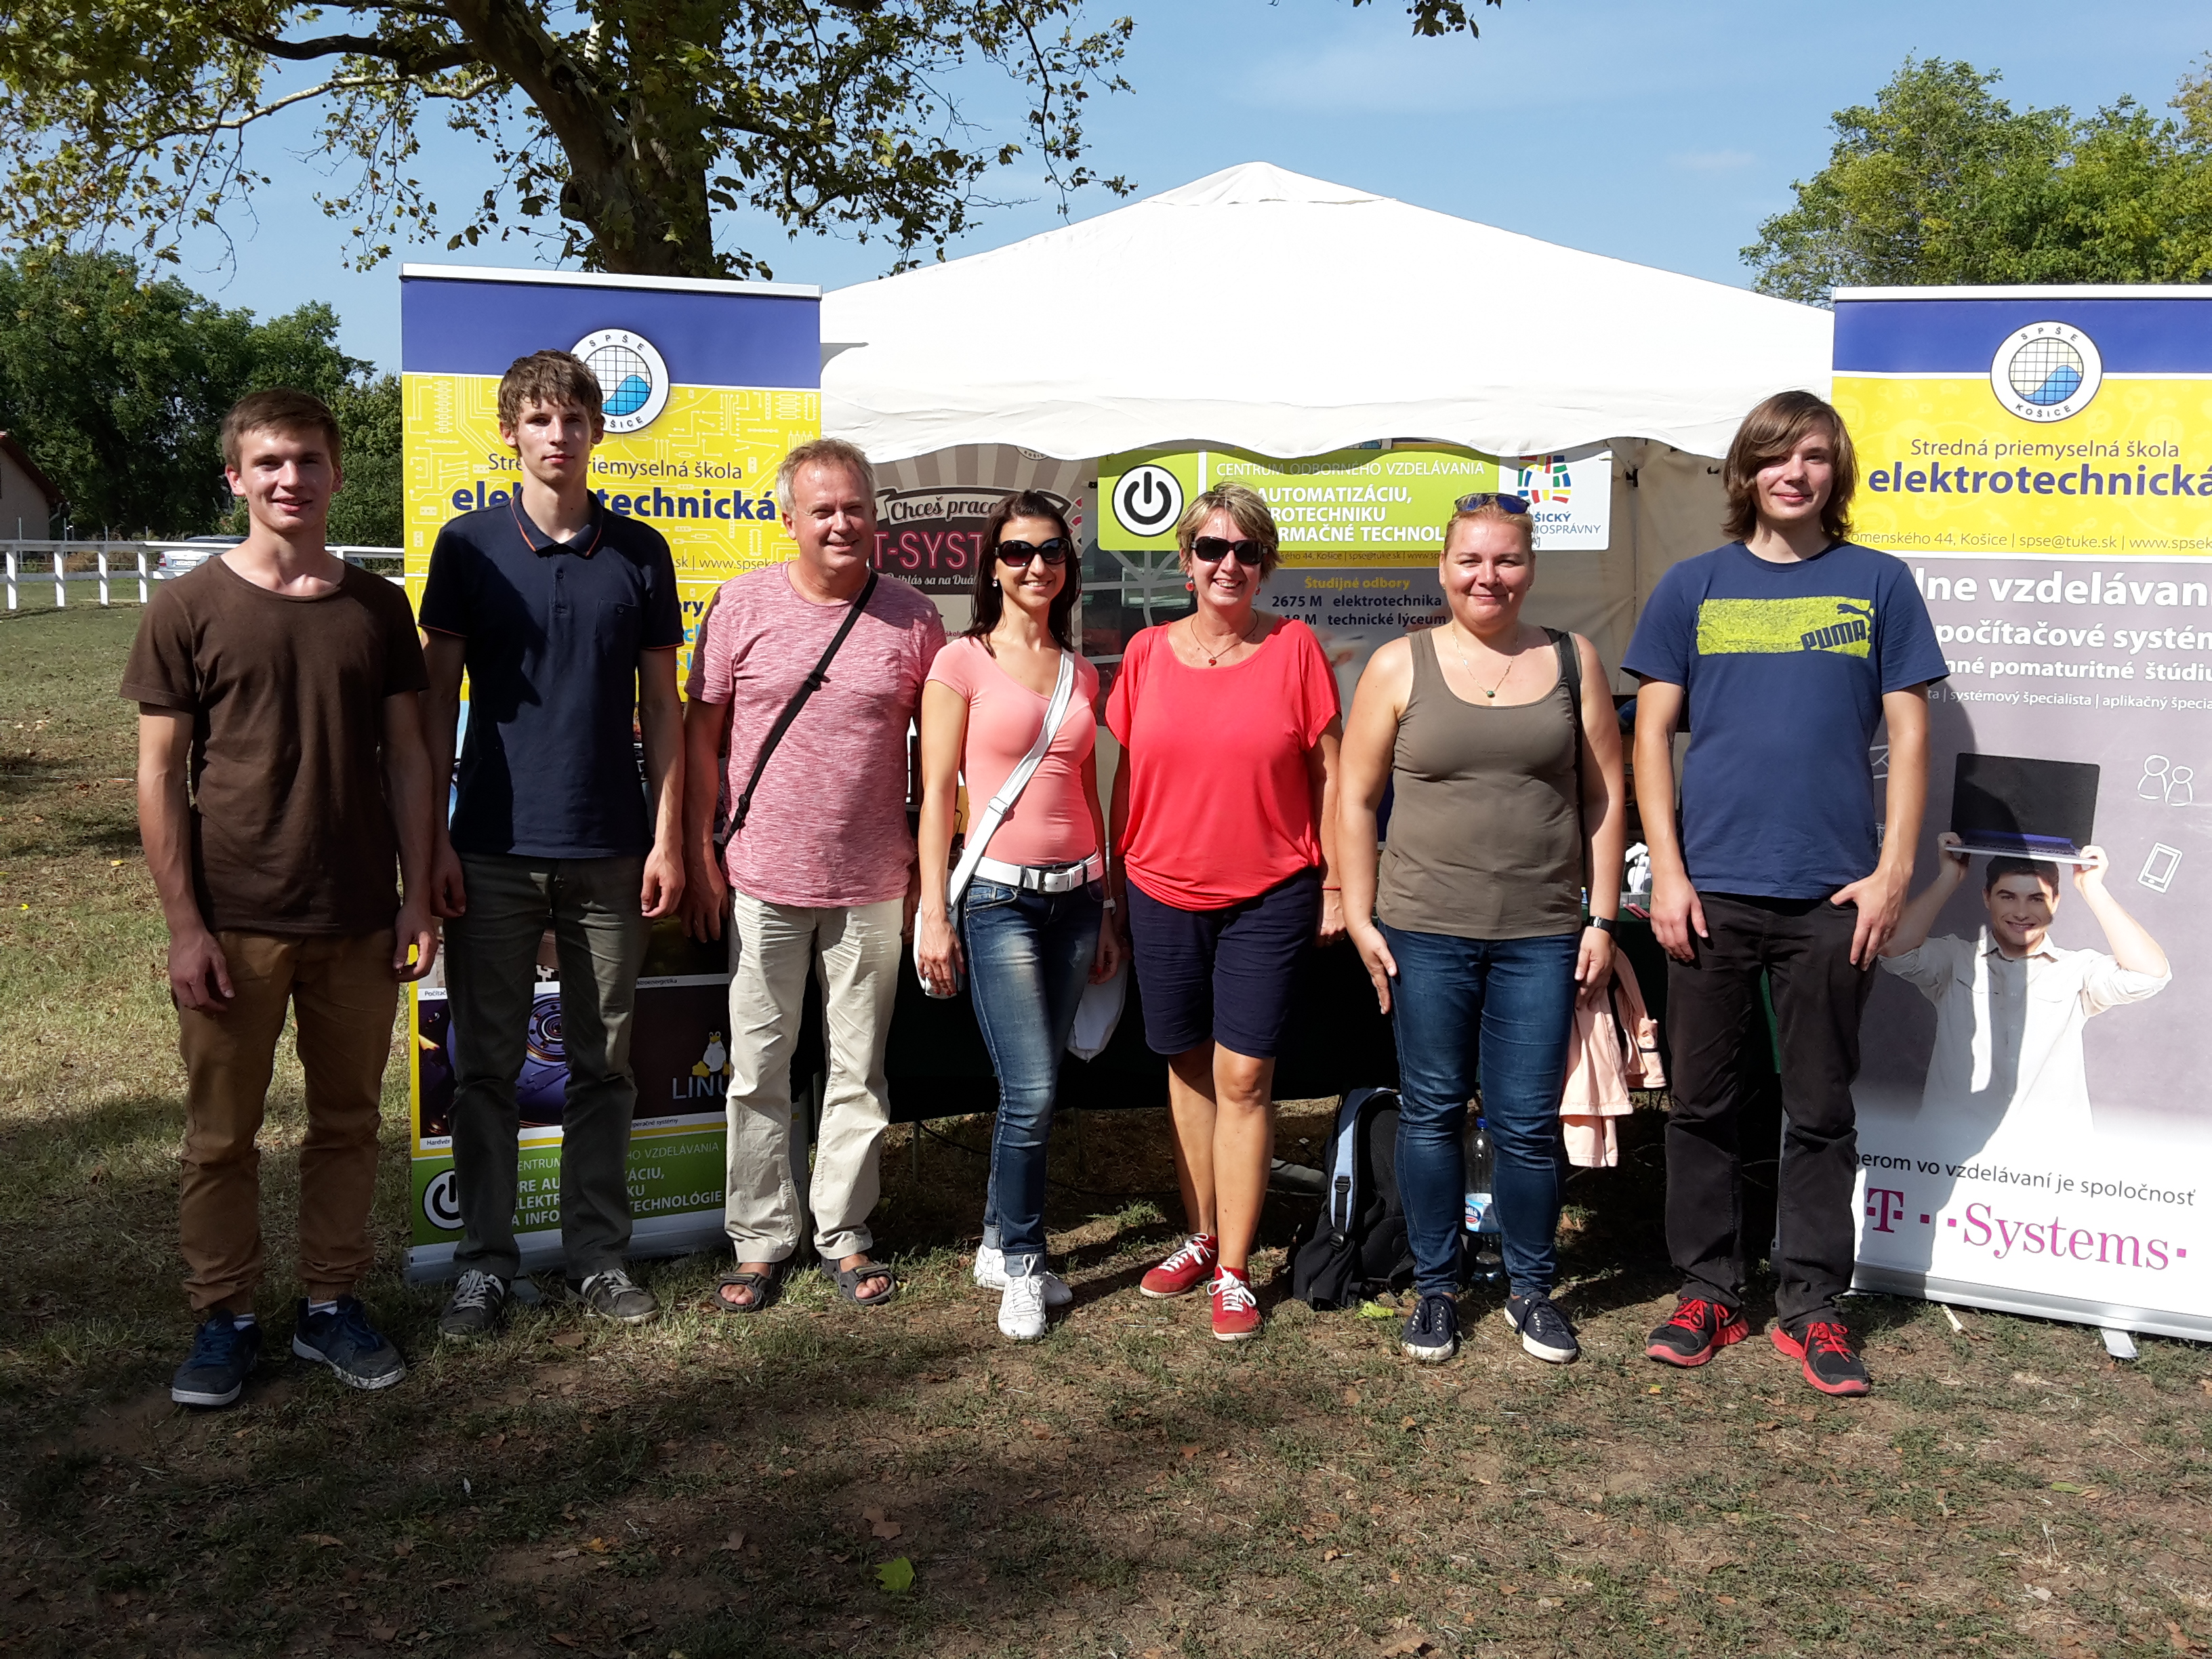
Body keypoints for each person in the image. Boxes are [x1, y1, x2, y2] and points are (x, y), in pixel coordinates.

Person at [1624, 389, 1946, 1397]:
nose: (1793, 473)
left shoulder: (1879, 583)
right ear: (1746, 472)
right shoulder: (1693, 586)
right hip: (1710, 890)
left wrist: (1894, 873)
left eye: (1813, 456)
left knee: (1819, 1110)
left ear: (1835, 471)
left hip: (1833, 896)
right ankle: (1710, 1291)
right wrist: (1667, 870)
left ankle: (1811, 1305)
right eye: (1775, 455)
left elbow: (1911, 734)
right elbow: (1649, 734)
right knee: (1701, 1105)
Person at [124, 389, 438, 1408]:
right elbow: (158, 775)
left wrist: (417, 896)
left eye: (307, 460)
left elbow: (408, 756)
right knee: (221, 1136)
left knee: (347, 1124)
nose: (289, 479)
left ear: (337, 474)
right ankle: (224, 1316)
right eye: (268, 463)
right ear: (236, 479)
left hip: (358, 917)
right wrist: (185, 927)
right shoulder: (187, 608)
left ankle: (329, 1305)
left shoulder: (377, 609)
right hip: (235, 920)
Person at [419, 350, 687, 1338]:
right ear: (510, 434)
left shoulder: (641, 550)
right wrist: (432, 840)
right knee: (484, 1069)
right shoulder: (468, 546)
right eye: (539, 419)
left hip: (611, 846)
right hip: (490, 846)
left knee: (604, 1065)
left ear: (596, 432)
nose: (558, 435)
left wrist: (669, 837)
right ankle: (484, 1264)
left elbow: (663, 708)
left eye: (573, 419)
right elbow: (432, 704)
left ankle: (598, 1258)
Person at [1338, 494, 1626, 1368]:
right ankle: (1437, 1287)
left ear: (1530, 568)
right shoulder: (1398, 664)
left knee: (1526, 1123)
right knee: (1430, 1113)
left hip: (1541, 932)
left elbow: (1604, 798)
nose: (1487, 577)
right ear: (1443, 568)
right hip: (1424, 930)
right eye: (1470, 560)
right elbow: (1353, 799)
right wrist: (1359, 914)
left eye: (1506, 560)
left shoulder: (1573, 660)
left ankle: (1532, 1290)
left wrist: (1603, 916)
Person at [682, 436, 945, 1312]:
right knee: (759, 1069)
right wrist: (701, 850)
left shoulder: (914, 619)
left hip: (873, 882)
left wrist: (927, 874)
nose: (841, 523)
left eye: (855, 508)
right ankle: (759, 1239)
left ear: (875, 518)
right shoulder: (742, 604)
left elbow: (937, 759)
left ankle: (844, 1232)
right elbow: (702, 735)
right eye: (822, 509)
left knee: (858, 1070)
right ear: (789, 519)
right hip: (761, 877)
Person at [1105, 482, 1343, 1342]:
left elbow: (1330, 776)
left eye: (1246, 550)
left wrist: (1337, 884)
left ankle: (1236, 1270)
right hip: (1159, 888)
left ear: (1265, 563)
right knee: (1186, 1066)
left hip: (1269, 892)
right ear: (1186, 560)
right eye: (1212, 548)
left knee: (1244, 1078)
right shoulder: (1144, 653)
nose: (1228, 564)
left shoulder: (1295, 647)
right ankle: (1201, 1235)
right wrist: (1113, 887)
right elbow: (1128, 778)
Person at [915, 492, 1120, 1340]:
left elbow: (1088, 792)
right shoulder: (959, 661)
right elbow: (936, 795)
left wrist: (1106, 904)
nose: (1036, 565)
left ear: (1067, 566)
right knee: (1030, 1089)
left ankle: (1000, 1240)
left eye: (1051, 551)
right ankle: (1027, 1264)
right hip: (997, 898)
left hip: (1077, 897)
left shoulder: (1082, 671)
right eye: (1016, 551)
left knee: (1039, 1088)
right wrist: (933, 911)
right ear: (992, 567)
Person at [1881, 836, 2170, 1144]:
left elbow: (2150, 974)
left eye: (2036, 899)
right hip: (1951, 1151)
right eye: (2008, 897)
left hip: (2047, 1157)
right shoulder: (1955, 960)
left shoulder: (2077, 970)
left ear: (2055, 902)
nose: (2021, 912)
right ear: (1987, 898)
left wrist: (2093, 889)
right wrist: (1948, 878)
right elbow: (1893, 951)